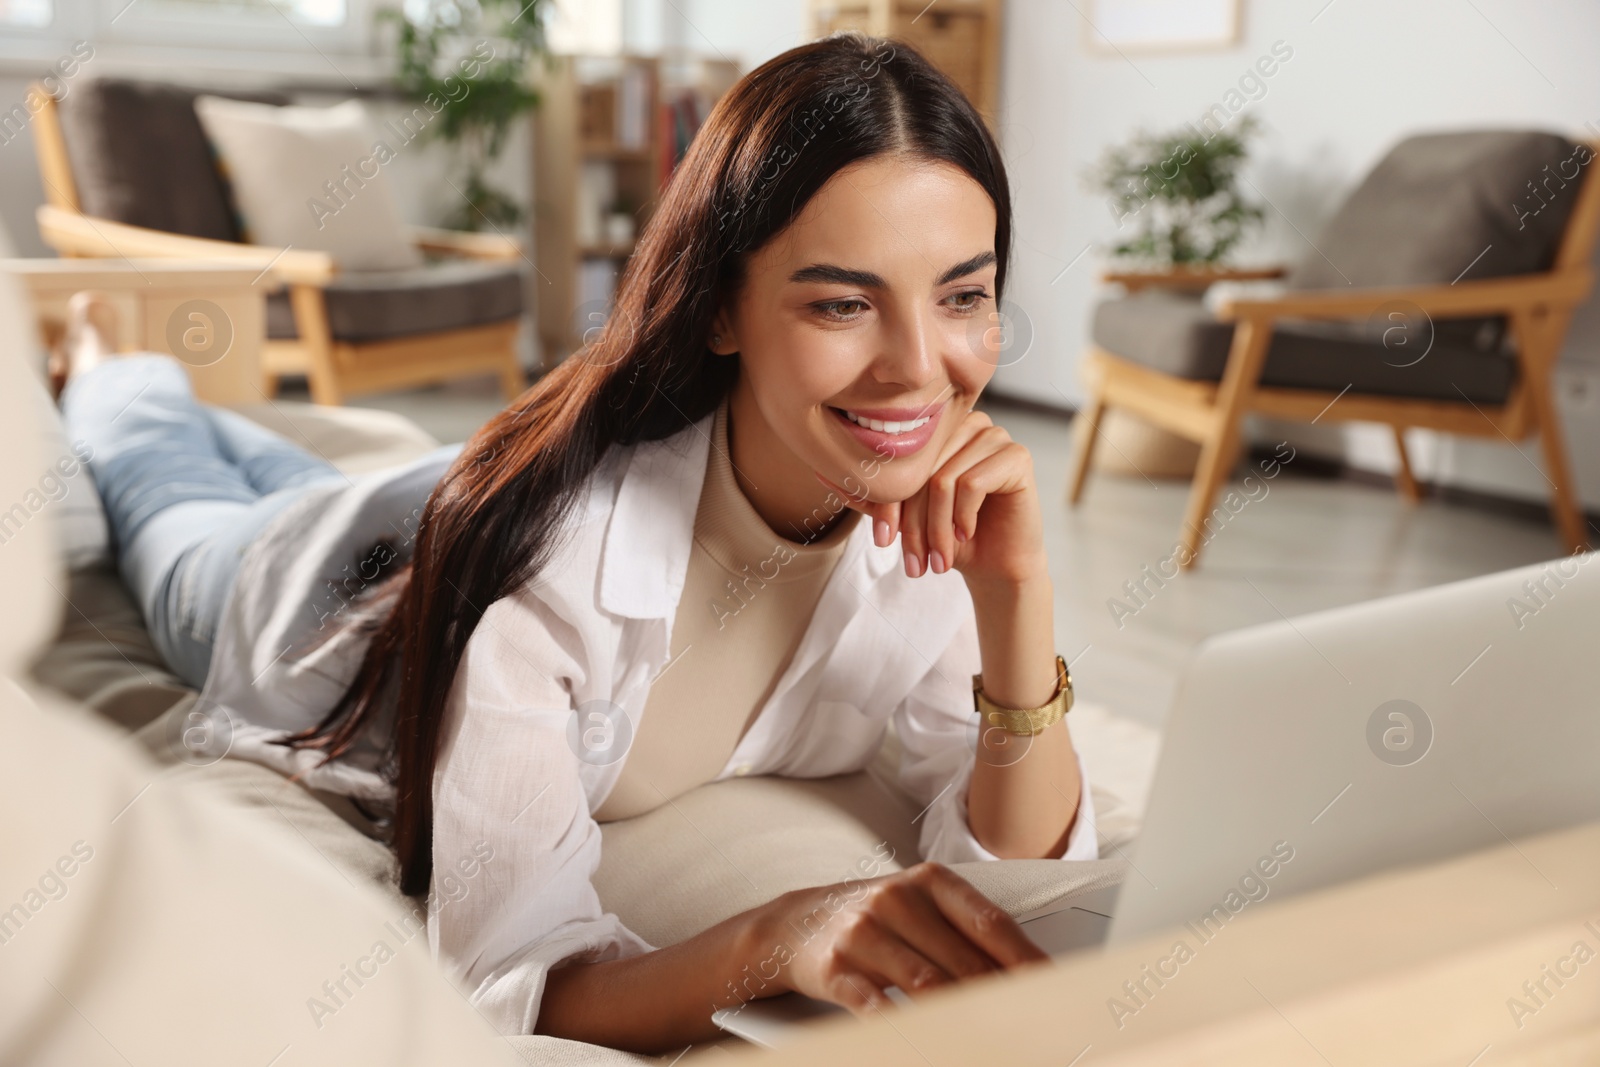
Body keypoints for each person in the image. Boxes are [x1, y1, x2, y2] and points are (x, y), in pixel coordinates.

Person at [57, 33, 1099, 1055]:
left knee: (265, 451)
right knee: (156, 472)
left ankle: (177, 401)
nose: (920, 369)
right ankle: (106, 361)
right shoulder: (557, 566)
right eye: (840, 302)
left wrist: (1014, 597)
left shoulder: (930, 517)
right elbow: (509, 978)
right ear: (722, 306)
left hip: (427, 494)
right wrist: (776, 936)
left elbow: (1010, 860)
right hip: (308, 574)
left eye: (962, 295)